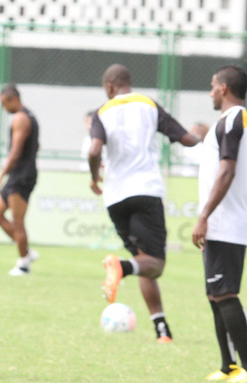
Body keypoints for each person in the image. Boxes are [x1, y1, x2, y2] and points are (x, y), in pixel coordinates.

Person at [88, 64, 200, 343]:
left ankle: (161, 328)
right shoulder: (149, 105)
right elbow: (186, 139)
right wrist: (207, 139)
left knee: (143, 261)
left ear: (110, 86)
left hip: (115, 197)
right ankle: (120, 267)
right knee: (154, 264)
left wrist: (94, 177)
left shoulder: (102, 112)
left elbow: (94, 150)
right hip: (146, 191)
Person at [192, 66, 247, 383]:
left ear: (223, 88)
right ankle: (228, 366)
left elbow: (227, 171)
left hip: (225, 221)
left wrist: (204, 216)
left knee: (225, 294)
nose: (210, 92)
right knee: (215, 294)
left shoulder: (233, 120)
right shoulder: (231, 121)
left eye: (212, 86)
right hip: (221, 222)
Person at [0, 84, 40, 276]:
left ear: (13, 99)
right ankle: (25, 250)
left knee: (18, 221)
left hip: (21, 176)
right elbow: (36, 145)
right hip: (19, 174)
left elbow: (16, 151)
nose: (4, 108)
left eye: (4, 103)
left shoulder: (20, 118)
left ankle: (23, 264)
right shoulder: (31, 116)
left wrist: (0, 176)